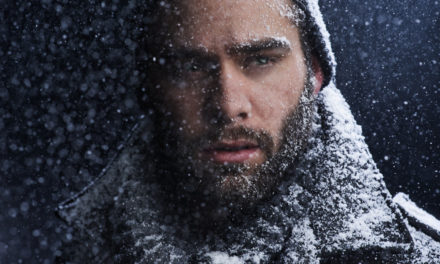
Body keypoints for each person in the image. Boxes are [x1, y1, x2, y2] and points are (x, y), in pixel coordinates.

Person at [56, 0, 440, 262]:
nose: (227, 105)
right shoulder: (78, 252)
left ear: (316, 74)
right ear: (150, 85)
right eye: (190, 67)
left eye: (260, 59)